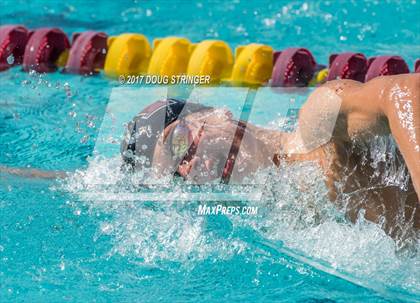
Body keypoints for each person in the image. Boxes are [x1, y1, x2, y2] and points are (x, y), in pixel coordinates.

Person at [2, 74, 419, 247]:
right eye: (178, 174)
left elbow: (402, 93)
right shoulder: (286, 222)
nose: (192, 164)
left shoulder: (316, 128)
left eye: (181, 142)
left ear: (218, 112)